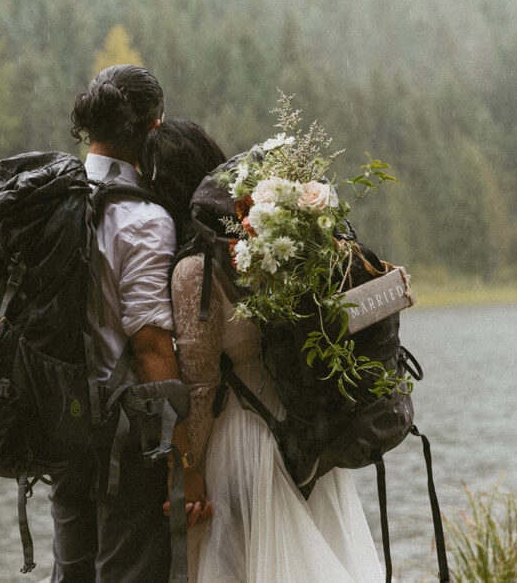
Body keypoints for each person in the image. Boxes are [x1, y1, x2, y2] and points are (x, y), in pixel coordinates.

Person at [139, 118, 384, 583]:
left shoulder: (197, 269)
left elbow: (201, 382)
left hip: (244, 436)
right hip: (302, 422)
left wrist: (186, 468)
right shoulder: (262, 238)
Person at [48, 66, 210, 583]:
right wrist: (184, 463)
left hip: (61, 421)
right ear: (154, 129)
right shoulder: (145, 219)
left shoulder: (55, 199)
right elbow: (150, 349)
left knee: (70, 573)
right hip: (125, 437)